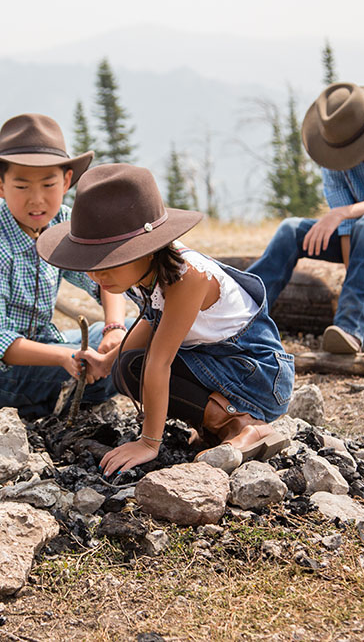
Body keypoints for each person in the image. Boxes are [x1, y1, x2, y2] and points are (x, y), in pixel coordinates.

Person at [36, 164, 294, 476]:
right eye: (91, 263)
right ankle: (217, 424)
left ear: (146, 249)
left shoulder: (188, 277)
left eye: (109, 261)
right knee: (125, 368)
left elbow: (160, 362)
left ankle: (243, 424)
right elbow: (154, 321)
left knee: (142, 367)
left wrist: (148, 442)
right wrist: (106, 361)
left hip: (258, 374)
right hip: (221, 364)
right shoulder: (145, 272)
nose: (96, 274)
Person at [0, 113, 128, 419]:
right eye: (21, 187)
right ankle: (51, 406)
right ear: (0, 185)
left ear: (67, 181)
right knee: (112, 368)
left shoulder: (63, 223)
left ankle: (57, 401)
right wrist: (66, 356)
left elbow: (105, 275)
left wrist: (114, 329)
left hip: (48, 344)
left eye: (48, 184)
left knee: (131, 342)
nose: (37, 200)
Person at [247, 82, 364, 354]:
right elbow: (345, 225)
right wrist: (354, 268)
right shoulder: (332, 151)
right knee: (291, 230)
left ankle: (350, 329)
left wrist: (346, 213)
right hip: (362, 233)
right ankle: (243, 312)